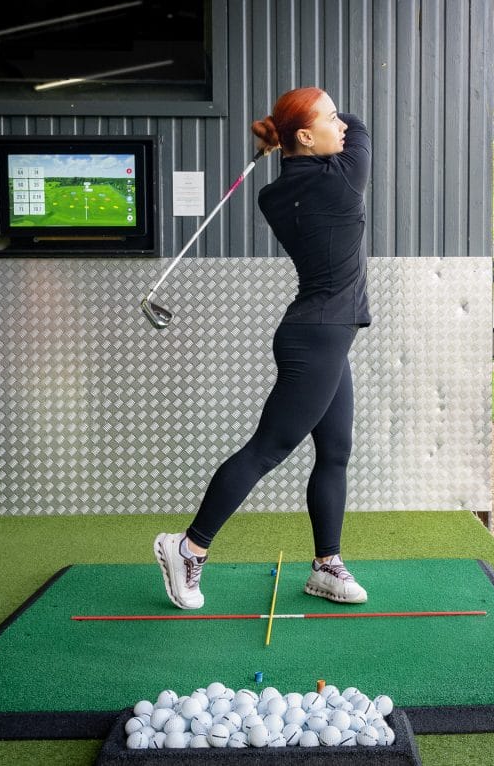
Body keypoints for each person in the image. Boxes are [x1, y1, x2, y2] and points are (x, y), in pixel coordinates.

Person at [154, 86, 372, 610]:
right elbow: (361, 127)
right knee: (267, 449)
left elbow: (337, 131)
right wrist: (278, 130)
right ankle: (188, 547)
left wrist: (280, 131)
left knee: (335, 451)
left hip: (320, 334)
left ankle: (326, 564)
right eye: (330, 118)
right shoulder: (344, 177)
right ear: (306, 136)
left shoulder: (272, 195)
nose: (342, 125)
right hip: (319, 336)